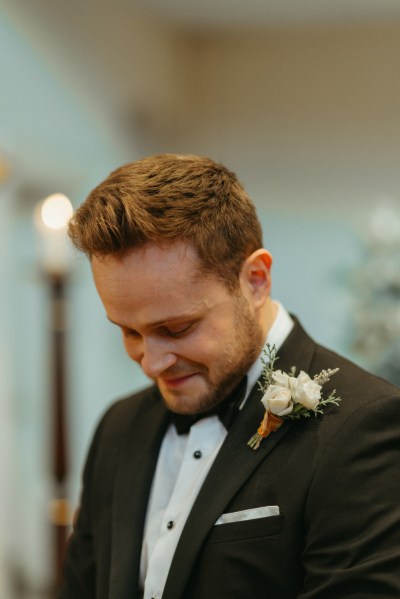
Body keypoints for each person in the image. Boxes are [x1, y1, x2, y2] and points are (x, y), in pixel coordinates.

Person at [58, 154, 400, 599]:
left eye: (176, 328)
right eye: (129, 331)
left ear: (255, 280)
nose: (151, 362)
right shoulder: (119, 427)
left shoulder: (363, 427)